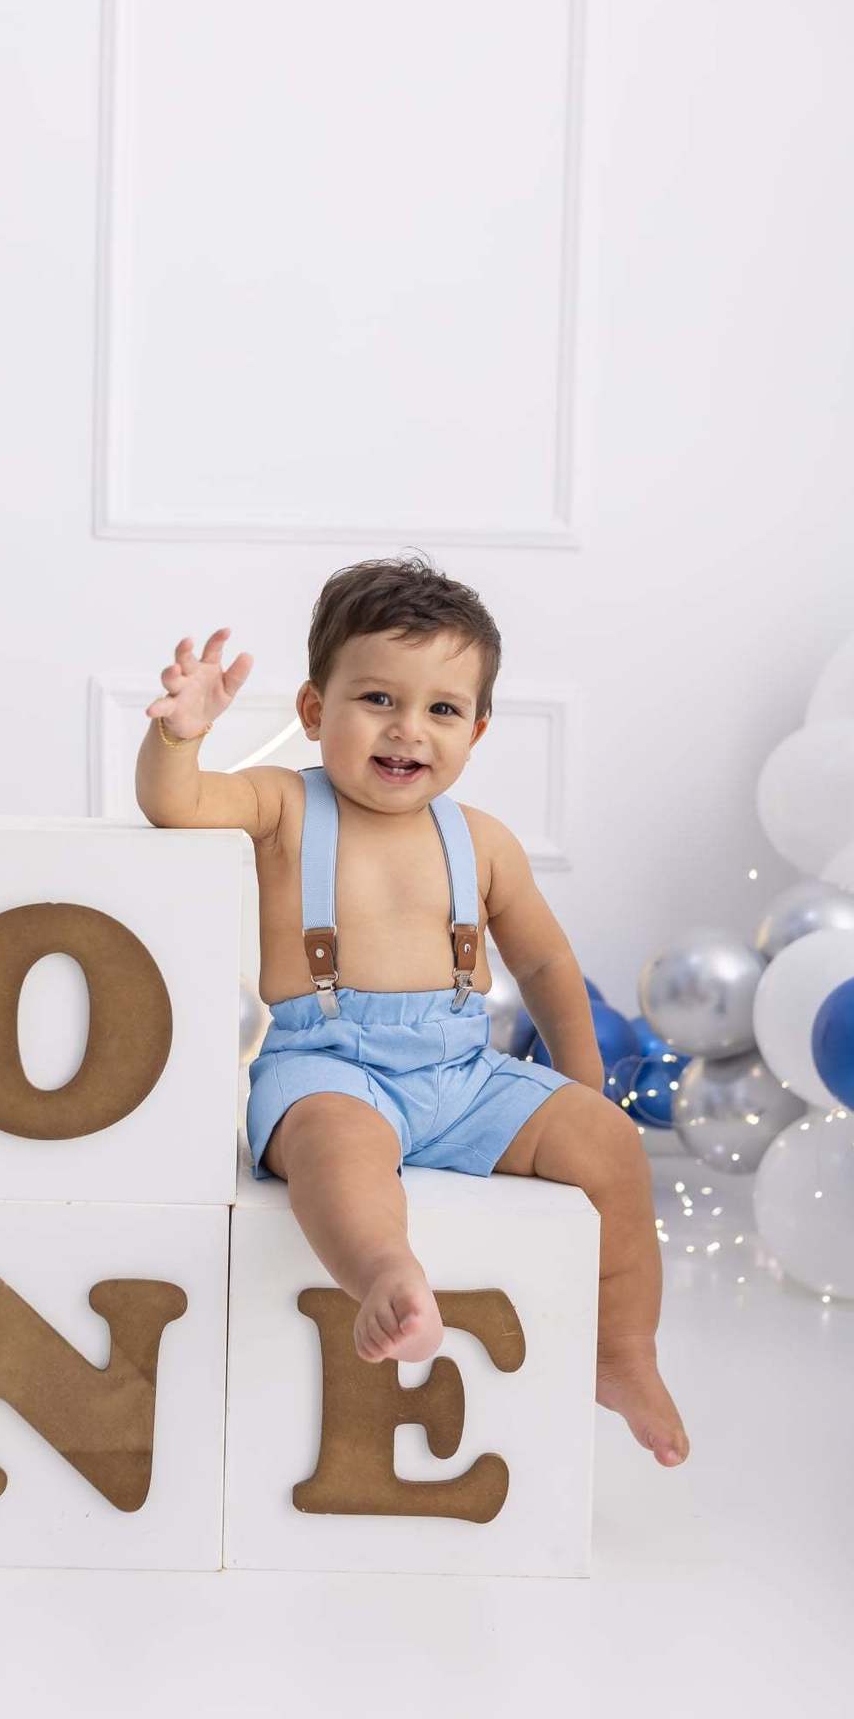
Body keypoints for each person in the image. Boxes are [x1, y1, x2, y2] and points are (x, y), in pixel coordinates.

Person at [134, 553, 690, 1469]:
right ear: (314, 712)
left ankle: (621, 1350)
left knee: (614, 1147)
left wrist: (580, 1086)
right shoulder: (282, 805)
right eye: (376, 700)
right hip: (329, 1068)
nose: (408, 730)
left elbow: (546, 960)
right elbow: (177, 805)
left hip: (462, 1075)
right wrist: (180, 738)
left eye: (440, 709)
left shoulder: (482, 841)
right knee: (333, 1151)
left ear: (477, 728)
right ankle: (387, 1277)